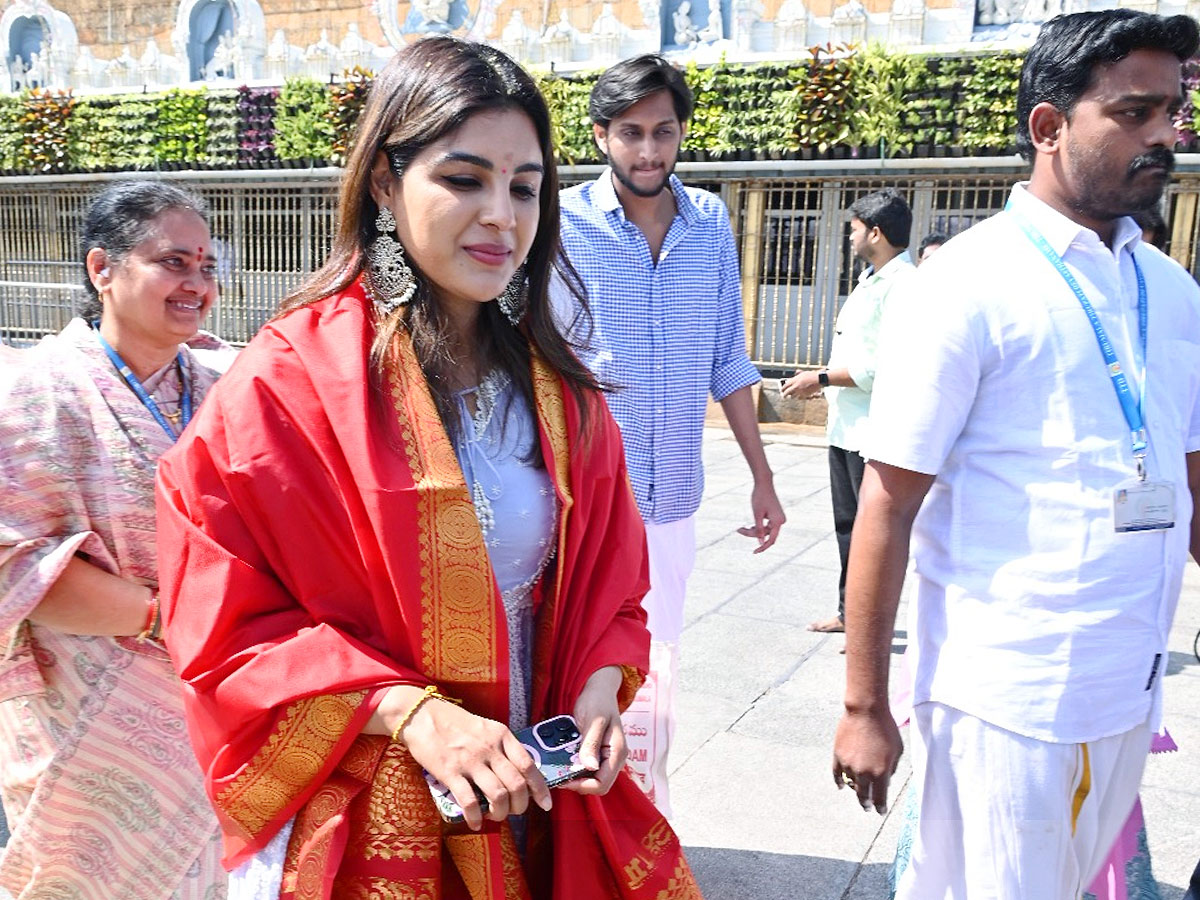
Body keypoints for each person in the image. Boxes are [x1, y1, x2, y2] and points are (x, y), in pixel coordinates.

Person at [154, 37, 701, 899]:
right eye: (464, 178)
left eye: (524, 188)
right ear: (384, 181)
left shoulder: (562, 394)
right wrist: (413, 713)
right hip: (379, 808)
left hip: (539, 796)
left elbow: (611, 586)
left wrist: (599, 695)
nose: (501, 216)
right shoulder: (285, 383)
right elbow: (223, 626)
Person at [832, 10, 1200, 899]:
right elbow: (886, 503)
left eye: (1176, 111)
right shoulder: (965, 284)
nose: (1167, 135)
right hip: (1008, 699)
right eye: (1136, 112)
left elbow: (1190, 477)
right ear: (1048, 126)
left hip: (1130, 685)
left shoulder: (1170, 290)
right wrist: (864, 706)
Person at [558, 53, 785, 817]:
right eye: (631, 134)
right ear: (601, 136)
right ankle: (577, 824)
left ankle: (640, 820)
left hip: (673, 500)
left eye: (663, 132)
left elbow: (727, 356)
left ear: (682, 132)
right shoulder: (561, 224)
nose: (649, 151)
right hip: (584, 502)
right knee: (582, 666)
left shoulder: (711, 223)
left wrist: (762, 475)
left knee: (658, 668)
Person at [0, 181, 226, 898]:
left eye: (208, 267)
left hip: (214, 699)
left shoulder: (231, 384)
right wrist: (166, 617)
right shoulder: (33, 391)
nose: (197, 284)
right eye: (174, 263)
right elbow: (15, 564)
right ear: (104, 269)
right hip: (85, 706)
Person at [781, 189, 914, 636]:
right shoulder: (869, 279)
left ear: (875, 232)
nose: (850, 237)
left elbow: (884, 367)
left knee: (872, 533)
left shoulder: (903, 286)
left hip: (874, 432)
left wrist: (819, 379)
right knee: (847, 527)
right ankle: (849, 613)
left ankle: (869, 624)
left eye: (854, 229)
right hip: (847, 426)